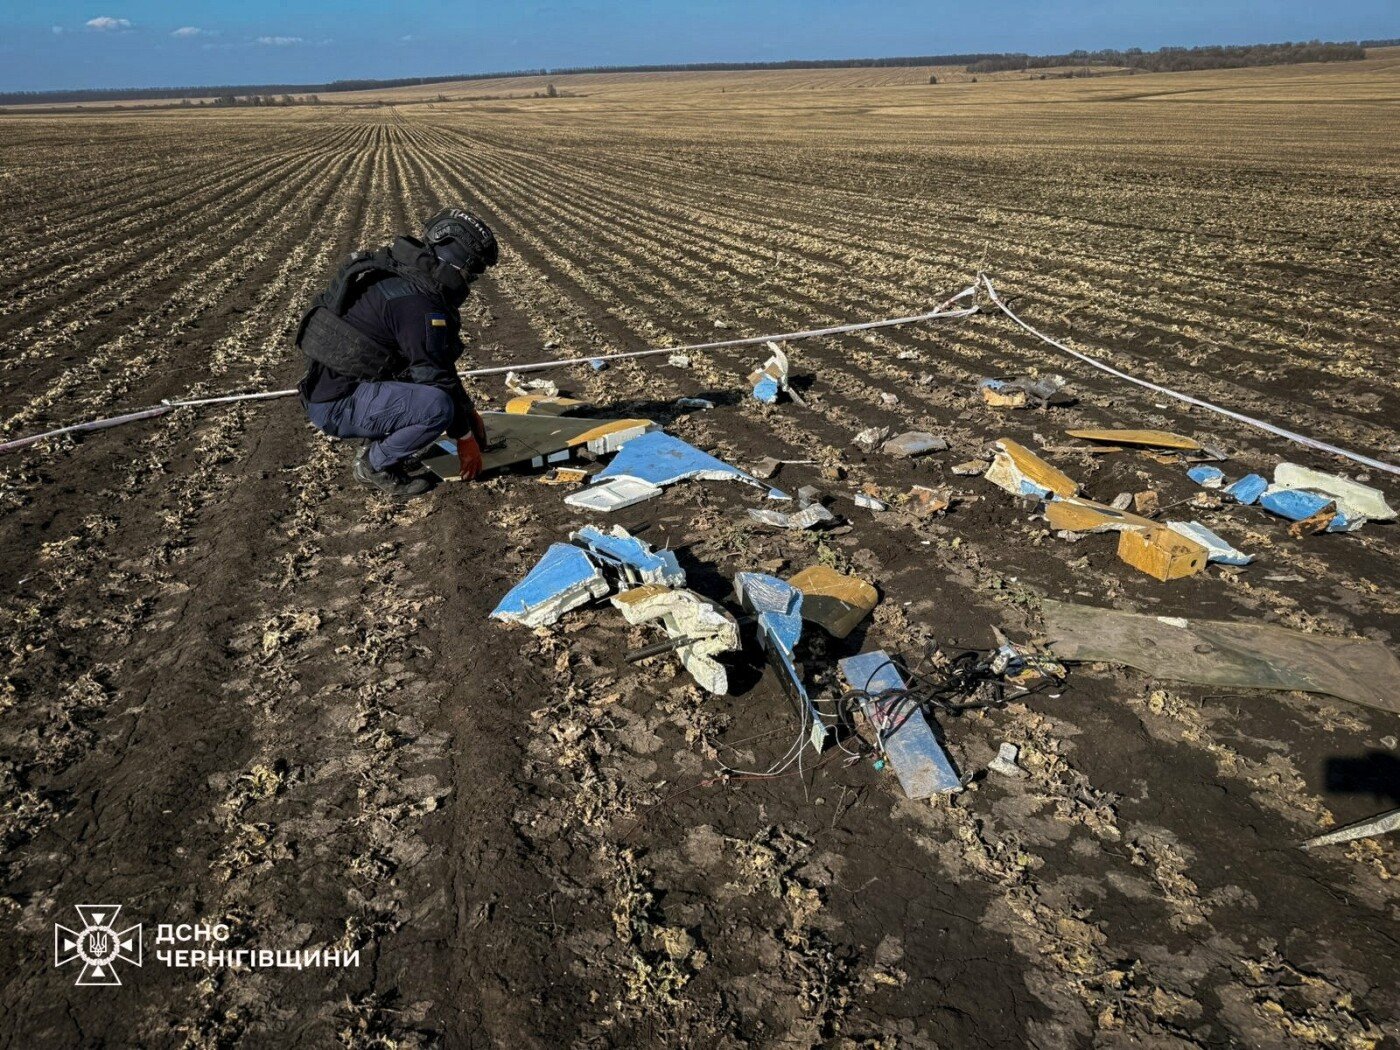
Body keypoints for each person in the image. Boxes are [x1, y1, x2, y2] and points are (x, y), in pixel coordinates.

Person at [295, 208, 499, 497]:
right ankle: (373, 464)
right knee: (438, 407)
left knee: (438, 397)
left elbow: (437, 361)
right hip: (336, 405)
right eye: (472, 274)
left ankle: (380, 442)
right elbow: (434, 375)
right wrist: (464, 437)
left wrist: (468, 412)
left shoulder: (403, 276)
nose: (470, 282)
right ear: (457, 264)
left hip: (333, 388)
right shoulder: (418, 305)